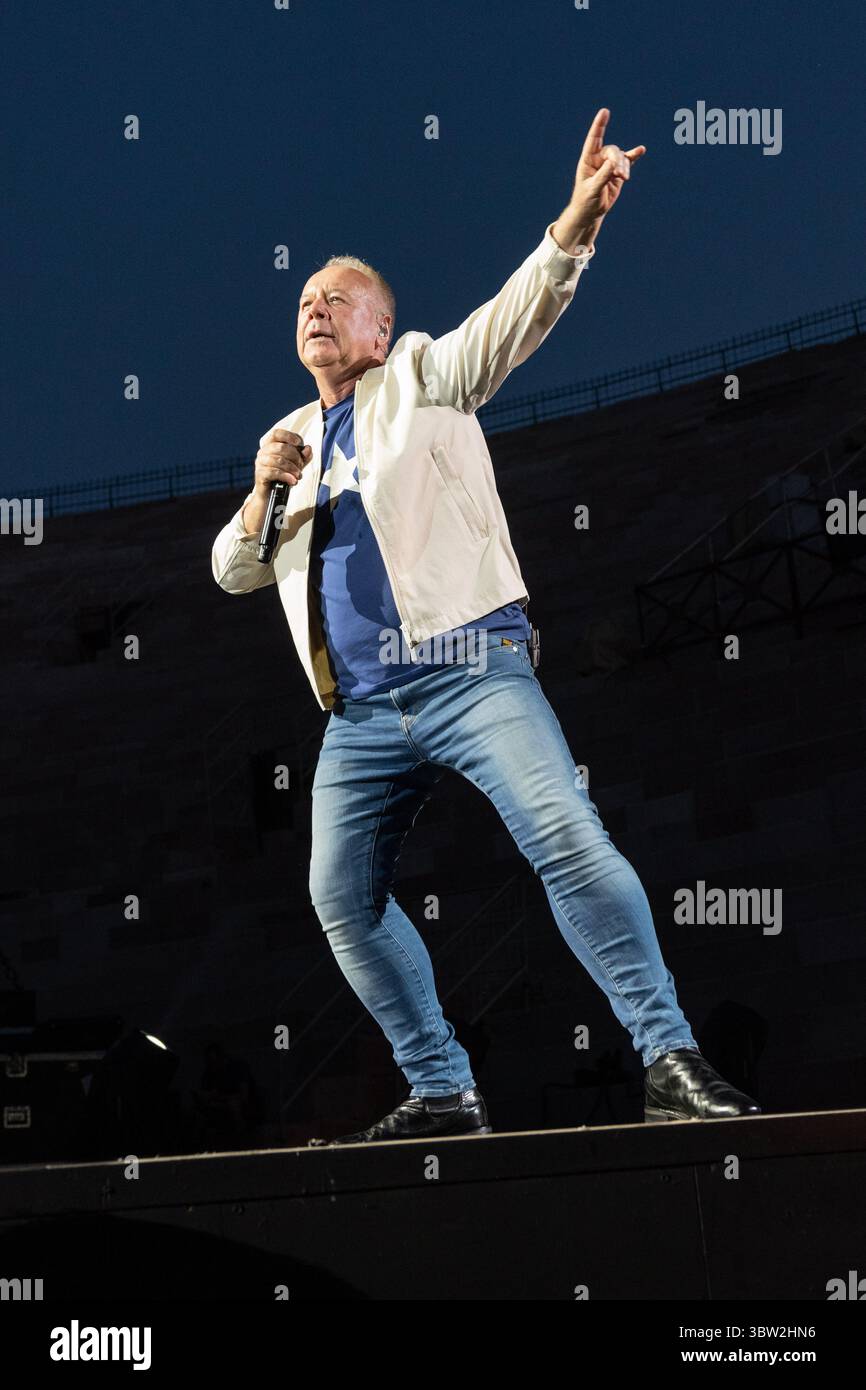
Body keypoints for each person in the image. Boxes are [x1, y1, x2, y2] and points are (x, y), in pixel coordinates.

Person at [212, 109, 761, 1144]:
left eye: (339, 299)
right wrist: (258, 496)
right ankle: (442, 1090)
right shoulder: (280, 442)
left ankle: (667, 1056)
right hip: (359, 717)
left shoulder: (418, 376)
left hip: (470, 669)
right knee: (342, 898)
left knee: (562, 833)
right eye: (304, 299)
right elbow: (230, 570)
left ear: (379, 329)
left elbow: (509, 319)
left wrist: (573, 225)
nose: (315, 308)